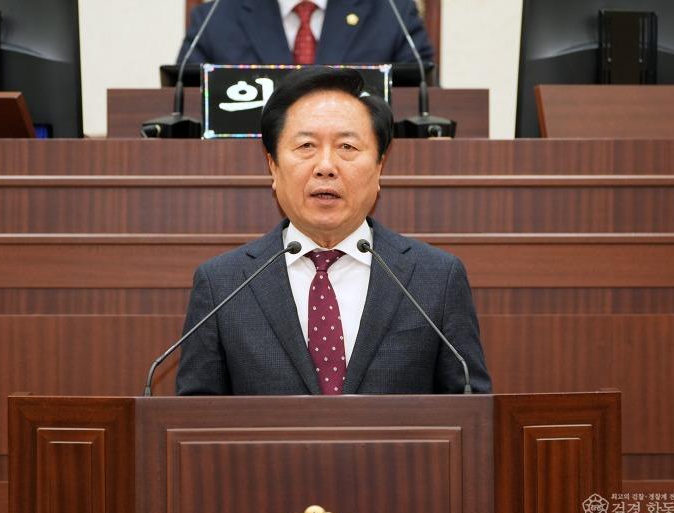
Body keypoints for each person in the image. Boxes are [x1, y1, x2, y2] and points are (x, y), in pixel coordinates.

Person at [176, 67, 490, 395]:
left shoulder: (436, 278)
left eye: (347, 147)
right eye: (306, 145)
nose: (326, 166)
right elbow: (194, 417)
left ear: (380, 167)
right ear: (273, 167)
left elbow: (471, 410)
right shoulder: (222, 285)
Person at [176, 0, 434, 65]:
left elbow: (423, 98)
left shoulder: (392, 12)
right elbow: (184, 102)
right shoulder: (216, 17)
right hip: (242, 167)